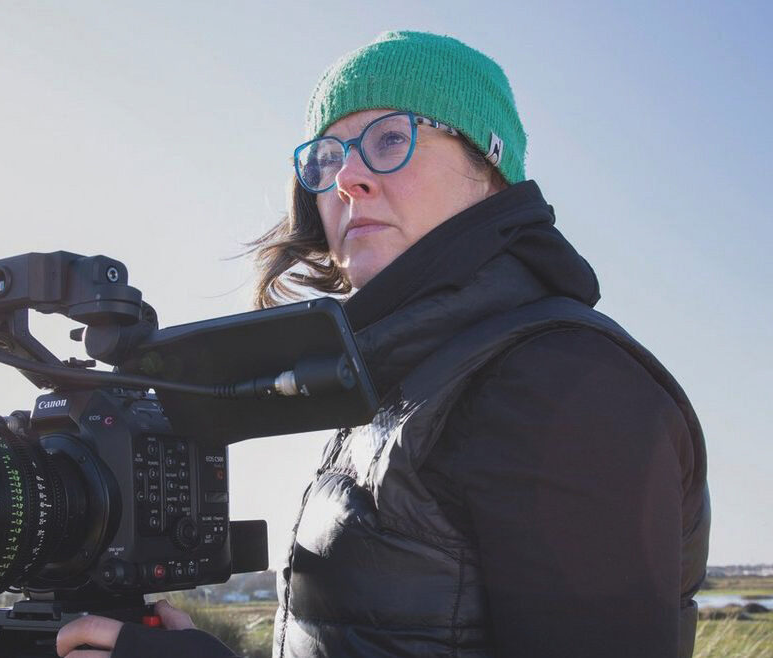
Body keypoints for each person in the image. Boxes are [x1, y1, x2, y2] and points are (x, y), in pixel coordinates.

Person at [56, 30, 710, 658]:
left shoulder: (558, 381)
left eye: (391, 138)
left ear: (489, 169)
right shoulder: (406, 378)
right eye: (329, 157)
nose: (348, 180)